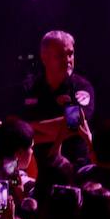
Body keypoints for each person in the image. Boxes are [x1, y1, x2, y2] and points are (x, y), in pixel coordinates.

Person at [21, 29, 95, 162]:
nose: (68, 60)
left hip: (76, 164)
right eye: (60, 55)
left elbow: (74, 126)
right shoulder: (29, 88)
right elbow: (17, 131)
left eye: (70, 54)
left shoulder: (81, 88)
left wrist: (30, 126)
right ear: (44, 57)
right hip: (38, 167)